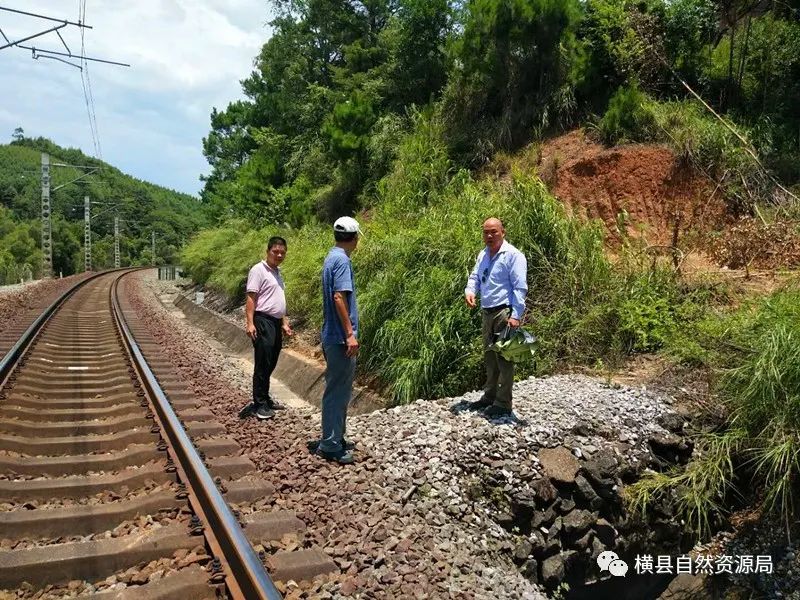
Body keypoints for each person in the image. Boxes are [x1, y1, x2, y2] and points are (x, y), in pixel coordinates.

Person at [308, 216, 361, 464]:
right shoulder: (341, 260)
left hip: (332, 335)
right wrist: (350, 334)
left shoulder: (332, 257)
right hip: (340, 338)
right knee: (337, 392)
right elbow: (339, 297)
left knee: (338, 389)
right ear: (354, 237)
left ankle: (336, 437)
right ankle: (330, 444)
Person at [464, 218, 528, 417]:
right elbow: (475, 277)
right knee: (490, 357)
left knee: (505, 359)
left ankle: (503, 403)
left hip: (505, 313)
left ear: (503, 232)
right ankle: (489, 397)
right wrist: (470, 290)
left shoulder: (513, 256)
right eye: (486, 232)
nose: (489, 236)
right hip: (487, 312)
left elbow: (520, 287)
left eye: (494, 232)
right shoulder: (483, 254)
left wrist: (516, 315)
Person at [239, 236, 293, 420]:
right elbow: (251, 298)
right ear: (268, 251)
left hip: (275, 322)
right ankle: (259, 404)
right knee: (263, 362)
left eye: (282, 252)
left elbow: (279, 299)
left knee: (271, 361)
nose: (279, 255)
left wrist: (284, 322)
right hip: (262, 320)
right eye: (275, 251)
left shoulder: (277, 272)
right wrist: (250, 322)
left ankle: (265, 398)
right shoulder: (258, 270)